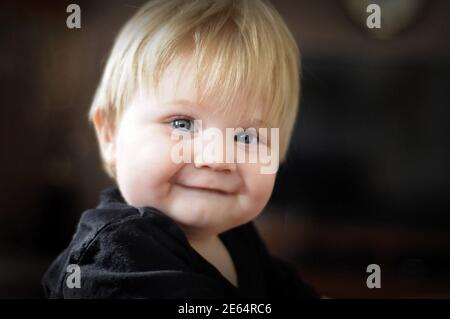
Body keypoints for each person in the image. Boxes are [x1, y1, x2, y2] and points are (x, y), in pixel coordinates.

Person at [42, 0, 319, 299]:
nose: (216, 159)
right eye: (182, 123)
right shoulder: (117, 255)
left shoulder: (237, 238)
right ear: (110, 135)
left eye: (247, 137)